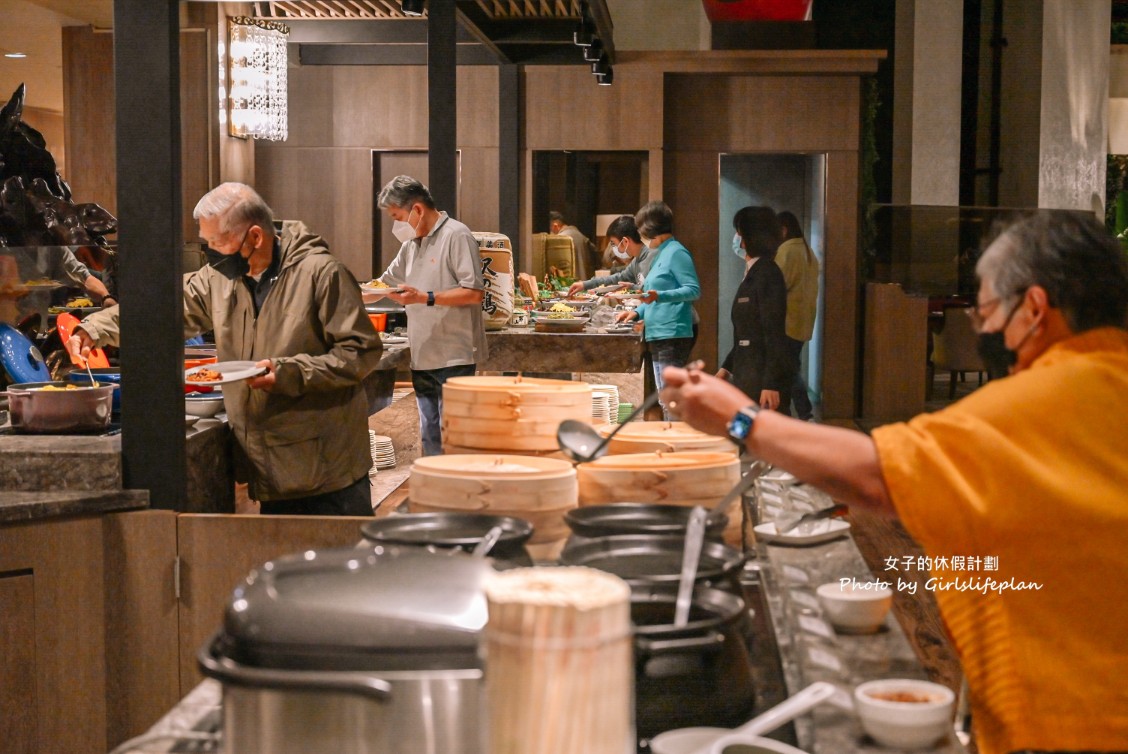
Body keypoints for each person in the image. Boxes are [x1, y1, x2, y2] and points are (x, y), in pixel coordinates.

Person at [659, 211, 1128, 754]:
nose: (984, 330)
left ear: (1035, 308)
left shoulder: (1055, 398)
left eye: (987, 312)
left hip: (1079, 726)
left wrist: (740, 420)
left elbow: (877, 475)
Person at [69, 182, 383, 515]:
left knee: (342, 561)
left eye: (218, 242)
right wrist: (94, 329)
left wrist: (289, 372)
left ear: (256, 237)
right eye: (208, 242)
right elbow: (159, 309)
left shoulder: (322, 274)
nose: (211, 251)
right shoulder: (217, 279)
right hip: (271, 467)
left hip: (327, 467)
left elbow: (359, 353)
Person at [371, 175, 487, 456]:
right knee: (431, 442)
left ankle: (460, 498)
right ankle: (435, 496)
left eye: (397, 217)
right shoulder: (410, 245)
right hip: (422, 357)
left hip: (455, 357)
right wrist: (353, 293)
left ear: (418, 210)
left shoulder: (456, 235)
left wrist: (426, 297)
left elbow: (474, 293)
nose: (396, 226)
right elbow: (384, 283)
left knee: (456, 443)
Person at [614, 201, 700, 419]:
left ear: (651, 229)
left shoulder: (677, 252)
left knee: (669, 398)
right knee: (664, 397)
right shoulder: (661, 253)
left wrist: (659, 296)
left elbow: (692, 290)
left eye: (642, 230)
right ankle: (671, 441)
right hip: (657, 332)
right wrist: (637, 311)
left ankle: (676, 445)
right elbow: (652, 292)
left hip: (672, 332)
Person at [719, 206, 791, 412]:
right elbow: (746, 332)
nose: (737, 239)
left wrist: (771, 384)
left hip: (761, 383)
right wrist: (726, 369)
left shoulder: (768, 273)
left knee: (753, 437)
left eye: (740, 233)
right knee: (742, 436)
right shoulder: (754, 272)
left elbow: (774, 332)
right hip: (747, 376)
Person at [775, 210, 819, 420]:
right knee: (790, 367)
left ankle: (804, 412)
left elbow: (776, 287)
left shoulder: (786, 252)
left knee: (789, 369)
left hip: (787, 321)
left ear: (783, 230)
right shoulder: (807, 252)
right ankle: (799, 413)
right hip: (803, 321)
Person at [566, 214, 654, 296]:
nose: (614, 248)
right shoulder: (637, 260)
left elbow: (655, 290)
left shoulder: (652, 257)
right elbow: (619, 278)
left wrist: (633, 288)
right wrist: (585, 284)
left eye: (614, 244)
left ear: (625, 242)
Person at [549, 210, 593, 279]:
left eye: (550, 229)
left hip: (570, 284)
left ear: (555, 226)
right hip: (585, 282)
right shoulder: (582, 236)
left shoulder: (560, 239)